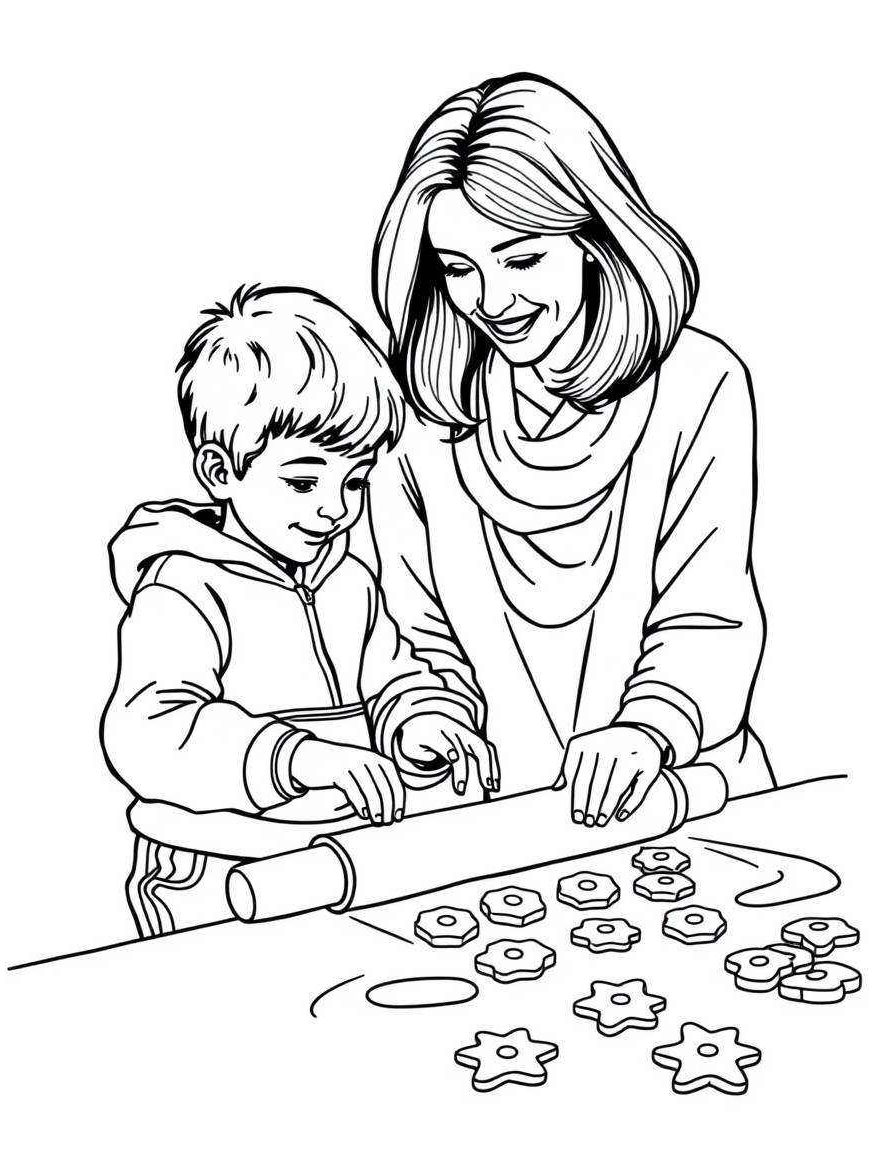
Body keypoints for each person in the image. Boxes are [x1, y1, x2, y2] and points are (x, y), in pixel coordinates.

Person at [368, 72, 774, 827]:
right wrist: (425, 717)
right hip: (500, 831)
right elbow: (411, 635)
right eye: (458, 269)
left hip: (683, 805)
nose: (491, 301)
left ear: (597, 240)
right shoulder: (417, 419)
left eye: (521, 260)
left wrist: (647, 729)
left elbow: (708, 615)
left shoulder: (699, 386)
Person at [102, 285, 496, 936]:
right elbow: (148, 731)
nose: (335, 509)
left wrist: (425, 721)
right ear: (220, 471)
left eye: (355, 482)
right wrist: (296, 758)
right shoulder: (181, 588)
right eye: (304, 481)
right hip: (217, 870)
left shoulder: (350, 582)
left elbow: (397, 676)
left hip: (338, 859)